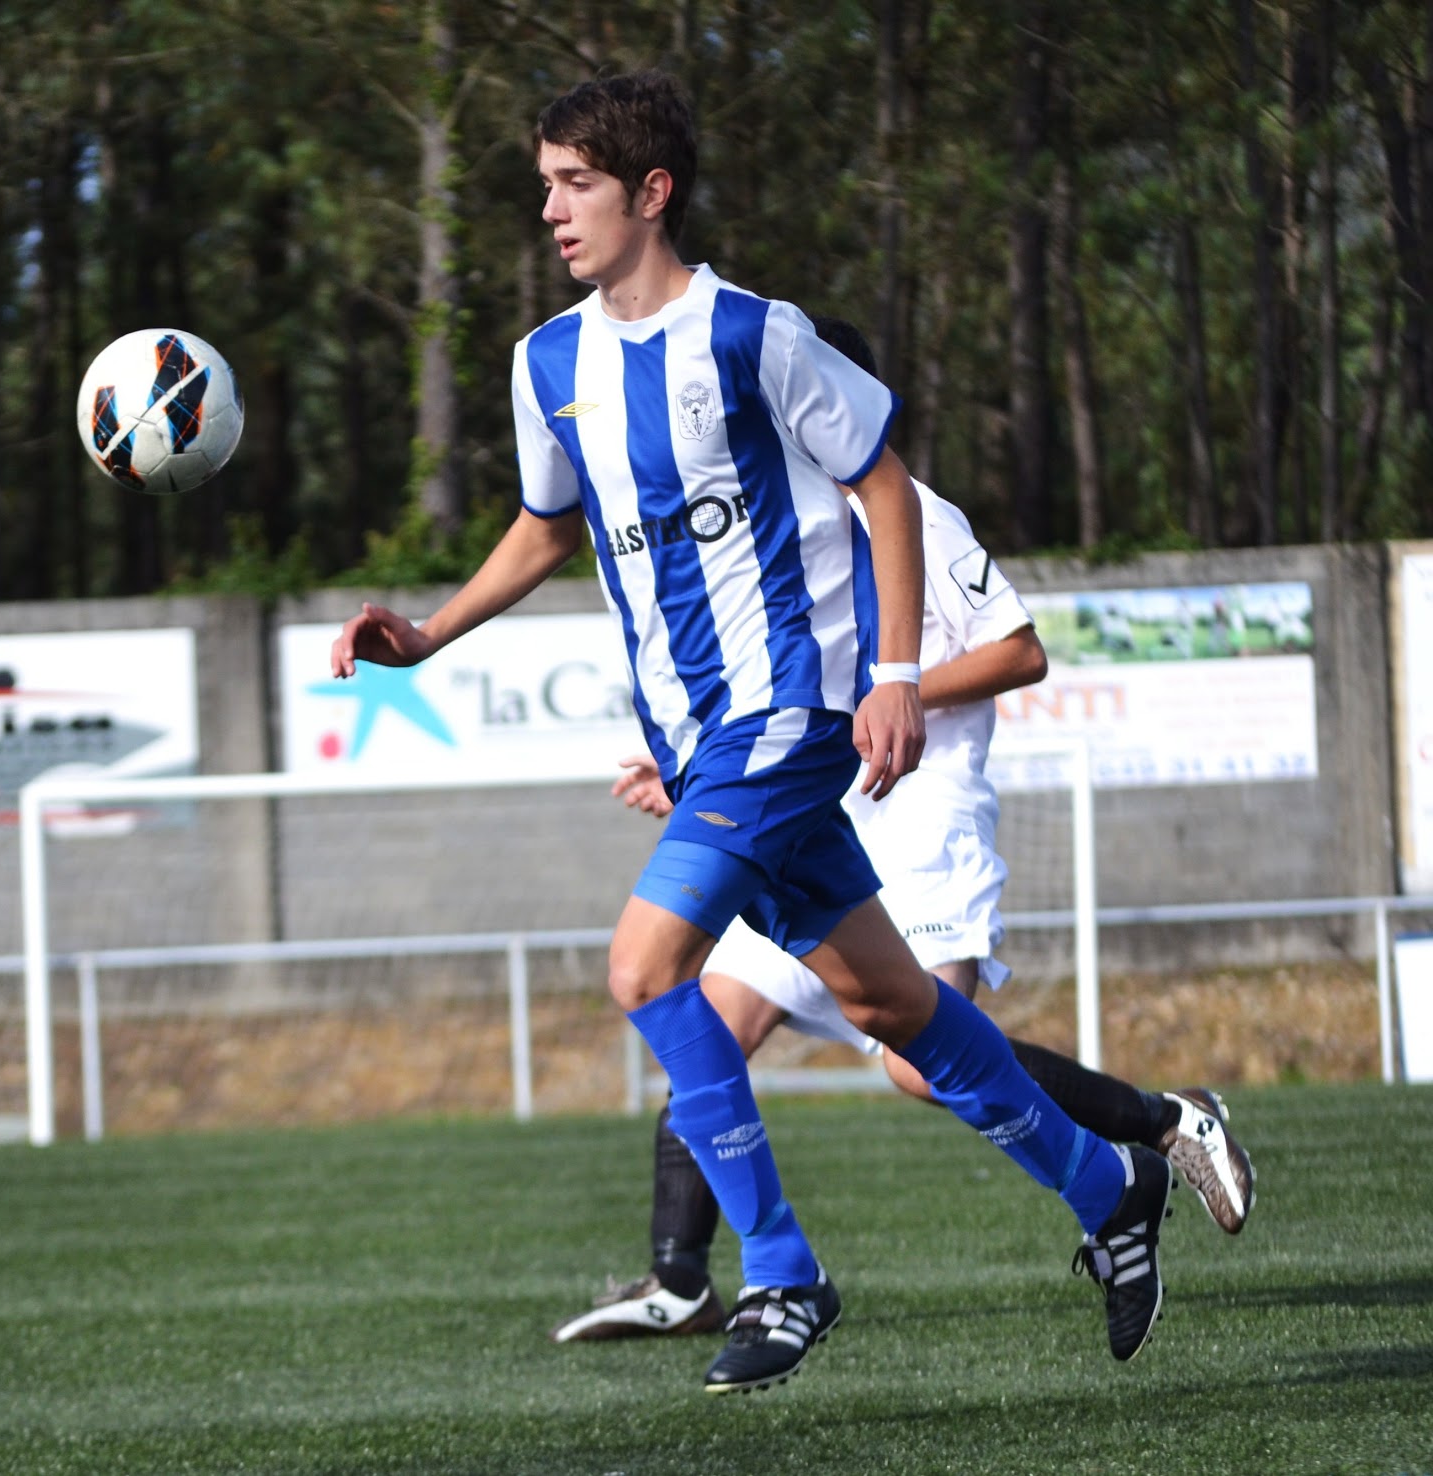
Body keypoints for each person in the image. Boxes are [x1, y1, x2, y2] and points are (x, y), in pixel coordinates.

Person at [332, 71, 1177, 1394]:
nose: (549, 208)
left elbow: (884, 489)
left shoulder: (756, 337)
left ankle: (782, 1274)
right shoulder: (546, 363)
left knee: (643, 971)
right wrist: (429, 635)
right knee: (893, 1007)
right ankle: (1109, 1186)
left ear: (651, 192)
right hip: (692, 743)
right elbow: (548, 526)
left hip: (783, 719)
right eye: (545, 183)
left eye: (575, 183)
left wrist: (893, 674)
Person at [547, 317, 1255, 1349]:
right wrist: (701, 769)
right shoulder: (767, 522)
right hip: (808, 815)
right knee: (705, 1016)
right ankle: (683, 1279)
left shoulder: (913, 511)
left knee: (914, 1064)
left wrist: (899, 690)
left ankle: (1161, 1122)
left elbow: (1019, 651)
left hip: (922, 817)